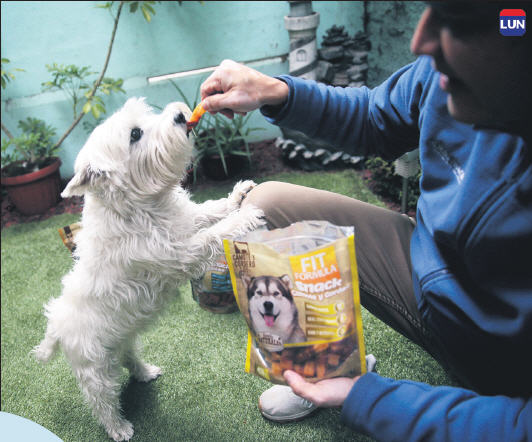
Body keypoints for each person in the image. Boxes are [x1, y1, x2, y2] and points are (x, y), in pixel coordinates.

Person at [199, 2, 531, 440]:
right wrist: (275, 91)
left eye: (462, 23)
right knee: (266, 204)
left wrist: (368, 397)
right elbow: (376, 116)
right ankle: (317, 366)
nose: (421, 41)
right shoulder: (444, 72)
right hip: (433, 285)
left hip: (506, 368)